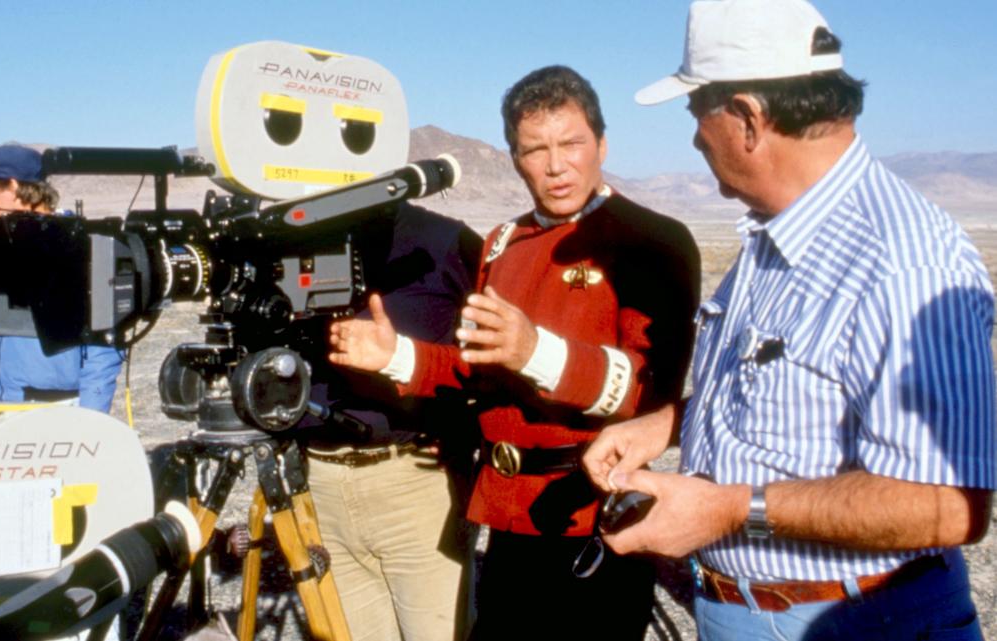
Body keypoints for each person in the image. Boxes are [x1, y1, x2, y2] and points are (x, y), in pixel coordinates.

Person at [582, 1, 995, 639]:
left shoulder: (905, 263)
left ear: (747, 117)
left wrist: (725, 512)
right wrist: (666, 425)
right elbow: (783, 395)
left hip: (859, 623)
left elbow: (948, 507)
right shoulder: (775, 236)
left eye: (697, 112)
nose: (694, 137)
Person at [329, 66, 700, 639]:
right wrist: (397, 356)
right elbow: (479, 370)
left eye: (572, 143)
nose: (556, 165)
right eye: (535, 149)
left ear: (602, 144)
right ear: (514, 157)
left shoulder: (654, 240)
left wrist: (535, 351)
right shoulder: (504, 243)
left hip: (595, 516)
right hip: (507, 518)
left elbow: (650, 395)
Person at [301, 203, 481, 641]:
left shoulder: (446, 241)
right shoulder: (288, 237)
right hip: (316, 485)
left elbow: (501, 355)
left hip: (415, 483)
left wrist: (473, 429)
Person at [0, 145, 122, 412]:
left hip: (49, 409)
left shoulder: (79, 248)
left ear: (13, 186)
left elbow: (103, 348)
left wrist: (91, 421)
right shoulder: (0, 247)